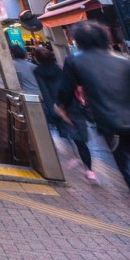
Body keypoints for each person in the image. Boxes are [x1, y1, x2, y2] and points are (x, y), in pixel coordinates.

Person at [57, 21, 130, 252]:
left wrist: (61, 107)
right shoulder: (125, 61)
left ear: (78, 41)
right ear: (105, 39)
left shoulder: (75, 61)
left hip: (111, 128)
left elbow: (65, 89)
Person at [33, 45, 94, 180]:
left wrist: (53, 110)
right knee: (81, 140)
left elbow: (45, 92)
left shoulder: (38, 71)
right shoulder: (60, 67)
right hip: (72, 104)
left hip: (58, 108)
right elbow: (71, 86)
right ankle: (89, 170)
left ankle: (77, 157)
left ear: (37, 59)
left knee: (70, 136)